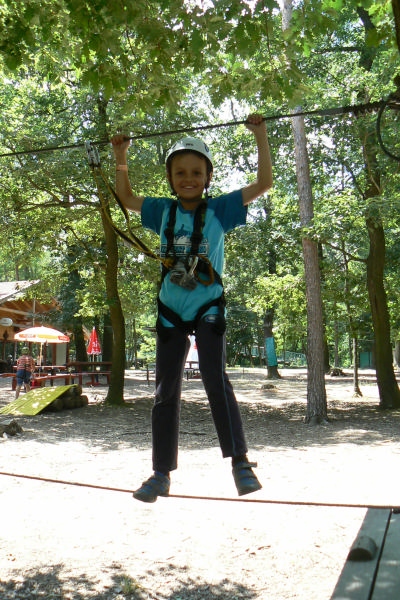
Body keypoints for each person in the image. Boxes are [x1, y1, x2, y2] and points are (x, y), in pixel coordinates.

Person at [111, 114, 273, 503]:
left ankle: (240, 463)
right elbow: (126, 198)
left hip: (207, 305)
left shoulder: (220, 209)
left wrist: (260, 135)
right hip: (170, 309)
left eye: (196, 172)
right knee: (165, 391)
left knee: (216, 379)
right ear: (170, 178)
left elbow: (264, 184)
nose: (189, 179)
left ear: (207, 177)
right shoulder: (162, 211)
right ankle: (160, 474)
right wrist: (121, 157)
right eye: (180, 172)